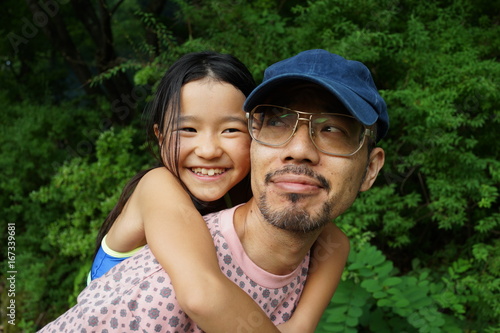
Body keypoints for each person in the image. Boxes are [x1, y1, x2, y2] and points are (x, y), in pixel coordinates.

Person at [39, 49, 388, 332]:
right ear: (161, 138)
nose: (208, 149)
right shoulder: (158, 188)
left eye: (231, 131)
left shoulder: (310, 233)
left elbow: (304, 315)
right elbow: (202, 294)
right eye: (188, 129)